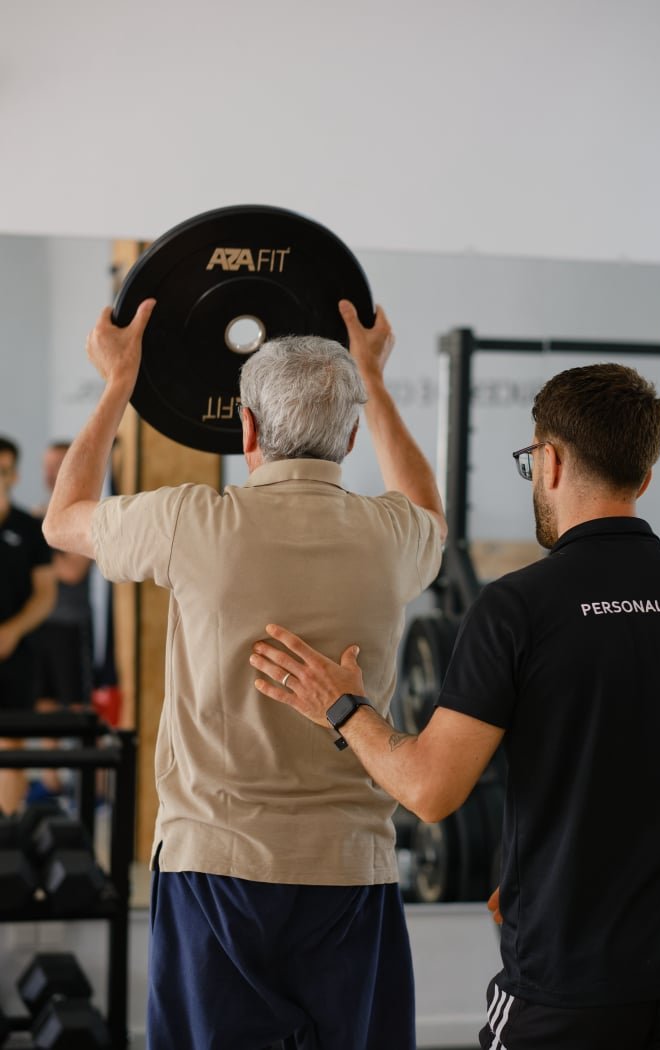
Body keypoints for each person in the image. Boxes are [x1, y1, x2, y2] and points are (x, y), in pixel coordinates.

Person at [250, 362, 660, 1050]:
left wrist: (342, 707)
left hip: (568, 983)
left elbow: (429, 791)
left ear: (549, 461)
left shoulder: (518, 607)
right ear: (643, 477)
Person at [42, 296, 446, 1050]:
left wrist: (119, 382)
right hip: (349, 875)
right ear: (350, 436)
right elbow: (429, 508)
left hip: (214, 874)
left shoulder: (189, 521)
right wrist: (373, 378)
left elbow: (63, 517)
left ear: (248, 428)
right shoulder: (394, 537)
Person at [31, 441, 94, 797]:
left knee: (77, 705)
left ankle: (87, 786)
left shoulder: (83, 512)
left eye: (57, 465)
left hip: (71, 627)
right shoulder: (40, 515)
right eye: (47, 465)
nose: (50, 473)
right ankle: (51, 781)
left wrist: (38, 543)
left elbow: (72, 571)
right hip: (40, 626)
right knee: (44, 703)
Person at [0, 436, 56, 814]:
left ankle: (6, 831)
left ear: (15, 475)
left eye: (3, 470)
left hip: (16, 654)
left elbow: (45, 594)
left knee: (11, 745)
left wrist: (13, 630)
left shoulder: (29, 528)